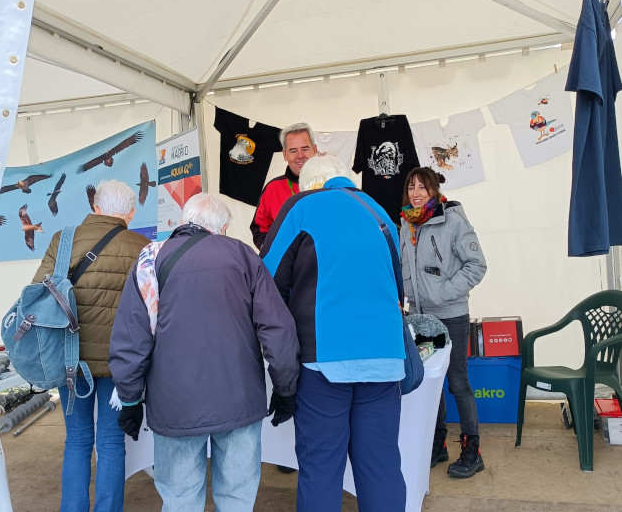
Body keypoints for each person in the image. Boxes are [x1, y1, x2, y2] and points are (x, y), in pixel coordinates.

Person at [109, 192, 300, 512]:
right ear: (222, 228)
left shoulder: (150, 260)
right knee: (238, 497)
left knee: (180, 498)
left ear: (184, 222)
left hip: (174, 404)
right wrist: (285, 388)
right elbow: (278, 330)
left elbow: (131, 339)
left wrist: (130, 400)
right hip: (239, 399)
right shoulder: (244, 255)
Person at [261, 155, 406, 512]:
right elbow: (398, 287)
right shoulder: (380, 212)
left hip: (324, 359)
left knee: (321, 469)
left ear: (310, 183)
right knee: (382, 466)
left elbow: (265, 282)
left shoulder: (303, 206)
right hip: (385, 358)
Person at [32, 179, 151, 512]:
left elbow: (36, 292)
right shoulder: (141, 245)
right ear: (131, 211)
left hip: (70, 359)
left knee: (77, 441)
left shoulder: (63, 239)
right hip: (119, 363)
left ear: (95, 207)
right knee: (111, 445)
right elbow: (152, 307)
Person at [399, 167, 487, 478]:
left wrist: (444, 292)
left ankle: (472, 450)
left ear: (434, 189)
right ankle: (438, 444)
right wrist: (407, 299)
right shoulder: (406, 222)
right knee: (428, 380)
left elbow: (477, 265)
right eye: (411, 187)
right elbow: (404, 267)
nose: (416, 193)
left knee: (458, 382)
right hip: (421, 317)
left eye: (422, 187)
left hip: (451, 313)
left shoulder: (452, 219)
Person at [250, 122, 318, 251]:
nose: (300, 156)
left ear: (314, 150)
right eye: (293, 150)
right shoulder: (272, 188)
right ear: (285, 155)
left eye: (305, 149)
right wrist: (275, 252)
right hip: (288, 267)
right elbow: (259, 229)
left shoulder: (330, 185)